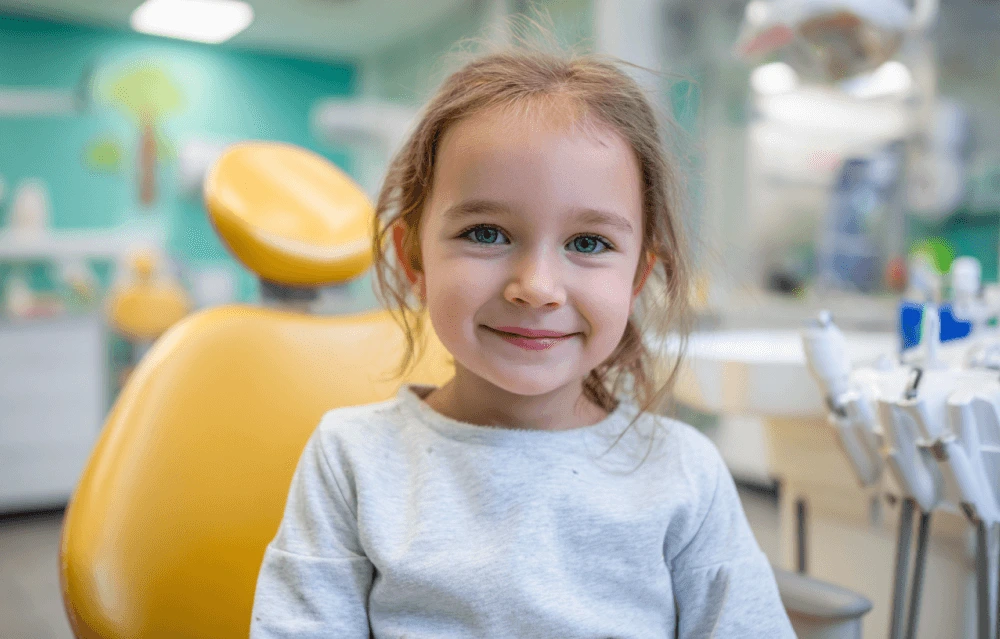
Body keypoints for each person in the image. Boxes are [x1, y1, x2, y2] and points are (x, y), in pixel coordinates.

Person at [250, 43, 794, 638]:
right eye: (486, 233)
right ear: (414, 260)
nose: (536, 288)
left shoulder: (685, 475)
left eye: (588, 243)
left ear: (638, 276)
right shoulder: (351, 460)